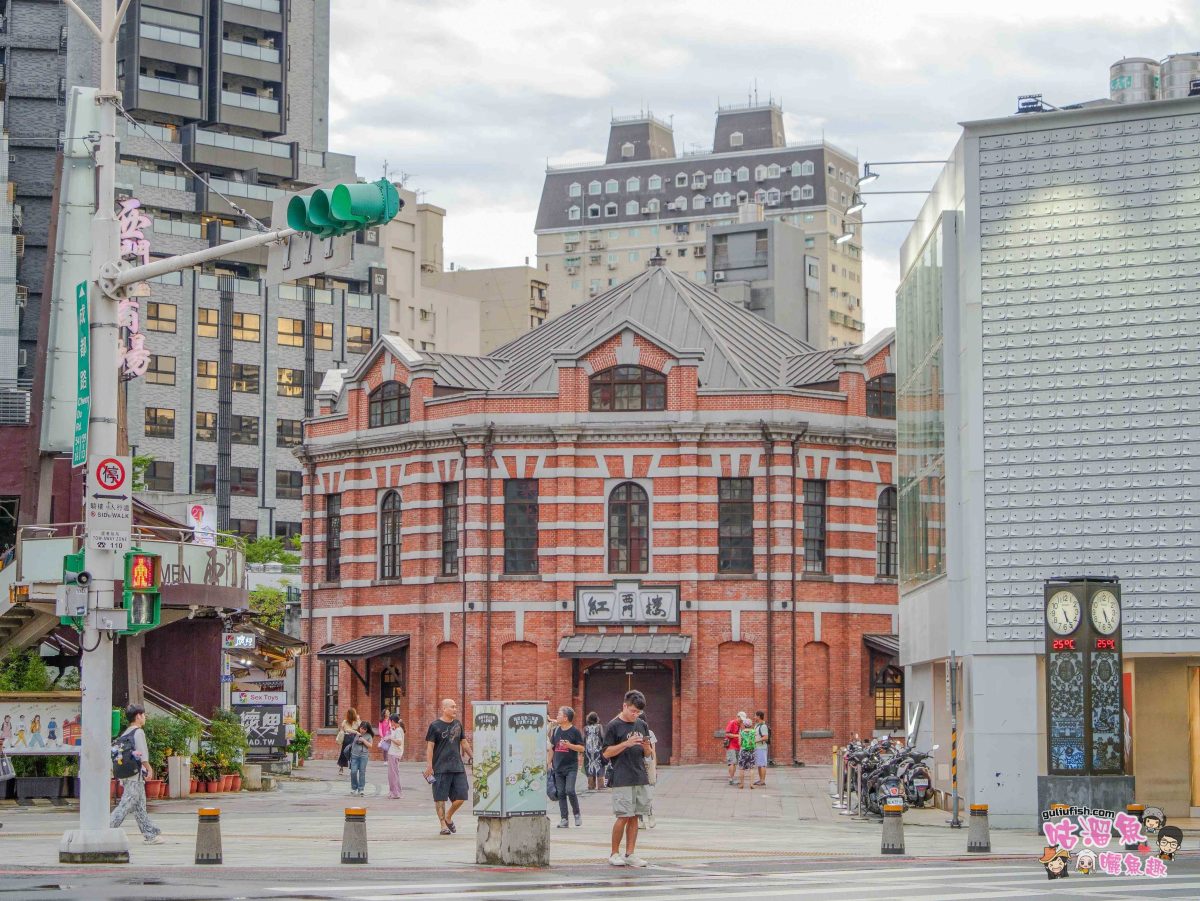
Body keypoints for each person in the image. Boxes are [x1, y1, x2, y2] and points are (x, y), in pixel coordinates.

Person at [602, 689, 652, 867]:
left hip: (639, 774)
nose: (635, 715)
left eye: (638, 712)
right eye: (632, 711)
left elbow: (648, 753)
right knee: (623, 815)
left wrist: (647, 747)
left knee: (635, 817)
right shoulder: (613, 726)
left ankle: (630, 853)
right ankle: (614, 853)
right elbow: (606, 753)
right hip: (621, 776)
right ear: (624, 706)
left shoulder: (641, 724)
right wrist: (626, 743)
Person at [109, 704, 165, 845]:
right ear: (138, 716)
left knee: (140, 806)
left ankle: (150, 834)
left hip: (127, 773)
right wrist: (149, 768)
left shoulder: (125, 733)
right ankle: (107, 829)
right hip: (135, 774)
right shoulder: (138, 732)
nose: (144, 717)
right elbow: (142, 754)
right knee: (126, 804)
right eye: (143, 715)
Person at [424, 698, 473, 835]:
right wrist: (429, 765)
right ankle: (442, 825)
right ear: (444, 709)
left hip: (457, 766)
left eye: (456, 707)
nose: (455, 709)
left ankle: (448, 817)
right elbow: (430, 747)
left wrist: (473, 756)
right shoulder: (435, 726)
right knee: (440, 798)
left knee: (462, 795)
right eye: (452, 707)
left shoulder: (458, 724)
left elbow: (464, 743)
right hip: (440, 768)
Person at [548, 706, 585, 828]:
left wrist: (570, 745)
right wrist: (548, 763)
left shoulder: (574, 731)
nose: (557, 716)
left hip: (571, 767)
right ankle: (564, 819)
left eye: (559, 714)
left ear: (565, 718)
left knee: (570, 790)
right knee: (561, 793)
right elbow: (552, 748)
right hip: (558, 768)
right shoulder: (557, 730)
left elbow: (581, 748)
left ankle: (577, 814)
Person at [349, 721, 373, 796]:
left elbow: (370, 745)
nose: (362, 730)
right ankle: (354, 787)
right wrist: (356, 732)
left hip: (363, 756)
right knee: (353, 772)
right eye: (361, 728)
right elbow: (347, 730)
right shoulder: (356, 733)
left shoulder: (369, 736)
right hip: (354, 756)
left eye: (364, 729)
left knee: (362, 773)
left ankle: (361, 789)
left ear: (367, 730)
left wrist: (363, 740)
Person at [385, 713, 405, 799]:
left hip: (394, 754)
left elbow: (399, 742)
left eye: (390, 721)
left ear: (393, 721)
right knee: (394, 773)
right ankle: (395, 792)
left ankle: (395, 793)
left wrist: (390, 738)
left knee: (392, 774)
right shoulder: (397, 729)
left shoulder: (398, 730)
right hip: (394, 753)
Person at [584, 711, 605, 792]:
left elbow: (584, 739)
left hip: (588, 751)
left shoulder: (585, 728)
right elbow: (602, 737)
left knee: (590, 766)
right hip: (598, 750)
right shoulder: (599, 726)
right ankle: (601, 785)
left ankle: (591, 785)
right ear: (596, 719)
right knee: (599, 765)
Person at [335, 708, 361, 776]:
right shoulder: (356, 721)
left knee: (343, 753)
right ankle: (352, 769)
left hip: (347, 738)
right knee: (353, 754)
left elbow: (342, 729)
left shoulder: (345, 721)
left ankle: (341, 768)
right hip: (354, 738)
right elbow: (361, 727)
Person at [725, 710, 745, 785]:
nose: (742, 721)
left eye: (743, 720)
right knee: (732, 762)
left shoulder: (739, 725)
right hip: (731, 746)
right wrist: (737, 735)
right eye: (741, 719)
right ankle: (731, 779)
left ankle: (732, 778)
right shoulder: (732, 722)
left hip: (737, 746)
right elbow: (727, 734)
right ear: (738, 716)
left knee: (734, 763)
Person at [737, 715, 756, 788]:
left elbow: (739, 743)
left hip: (743, 751)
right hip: (751, 751)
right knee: (751, 768)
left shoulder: (741, 732)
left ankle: (741, 784)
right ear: (750, 724)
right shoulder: (753, 731)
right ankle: (751, 784)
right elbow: (755, 741)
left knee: (741, 768)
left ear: (744, 725)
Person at [753, 710, 770, 786]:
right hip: (757, 747)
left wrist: (756, 741)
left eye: (755, 716)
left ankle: (762, 781)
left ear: (759, 716)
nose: (754, 717)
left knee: (762, 764)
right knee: (759, 764)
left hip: (762, 748)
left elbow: (766, 737)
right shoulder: (757, 725)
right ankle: (760, 780)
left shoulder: (763, 726)